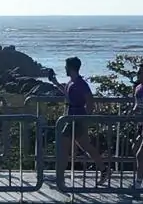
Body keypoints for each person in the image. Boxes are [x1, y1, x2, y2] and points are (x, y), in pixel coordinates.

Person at [46, 57, 110, 186]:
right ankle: (104, 170)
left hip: (76, 119)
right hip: (71, 118)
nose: (64, 69)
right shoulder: (72, 82)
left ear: (70, 67)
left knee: (63, 147)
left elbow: (90, 102)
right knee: (86, 147)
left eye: (66, 66)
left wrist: (85, 118)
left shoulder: (81, 84)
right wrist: (55, 82)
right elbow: (67, 94)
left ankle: (60, 176)